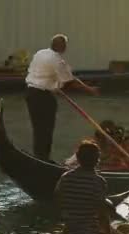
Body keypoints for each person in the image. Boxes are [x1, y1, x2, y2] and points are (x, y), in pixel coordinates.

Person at [25, 33, 99, 161]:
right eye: (65, 45)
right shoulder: (58, 61)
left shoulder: (40, 53)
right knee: (46, 129)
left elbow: (42, 73)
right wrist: (89, 89)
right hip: (43, 97)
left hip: (31, 93)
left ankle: (39, 157)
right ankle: (44, 158)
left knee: (38, 128)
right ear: (62, 46)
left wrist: (55, 84)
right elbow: (70, 81)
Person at [54, 140, 110, 234]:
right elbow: (102, 214)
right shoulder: (98, 182)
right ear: (97, 161)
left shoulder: (65, 178)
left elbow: (59, 201)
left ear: (78, 159)